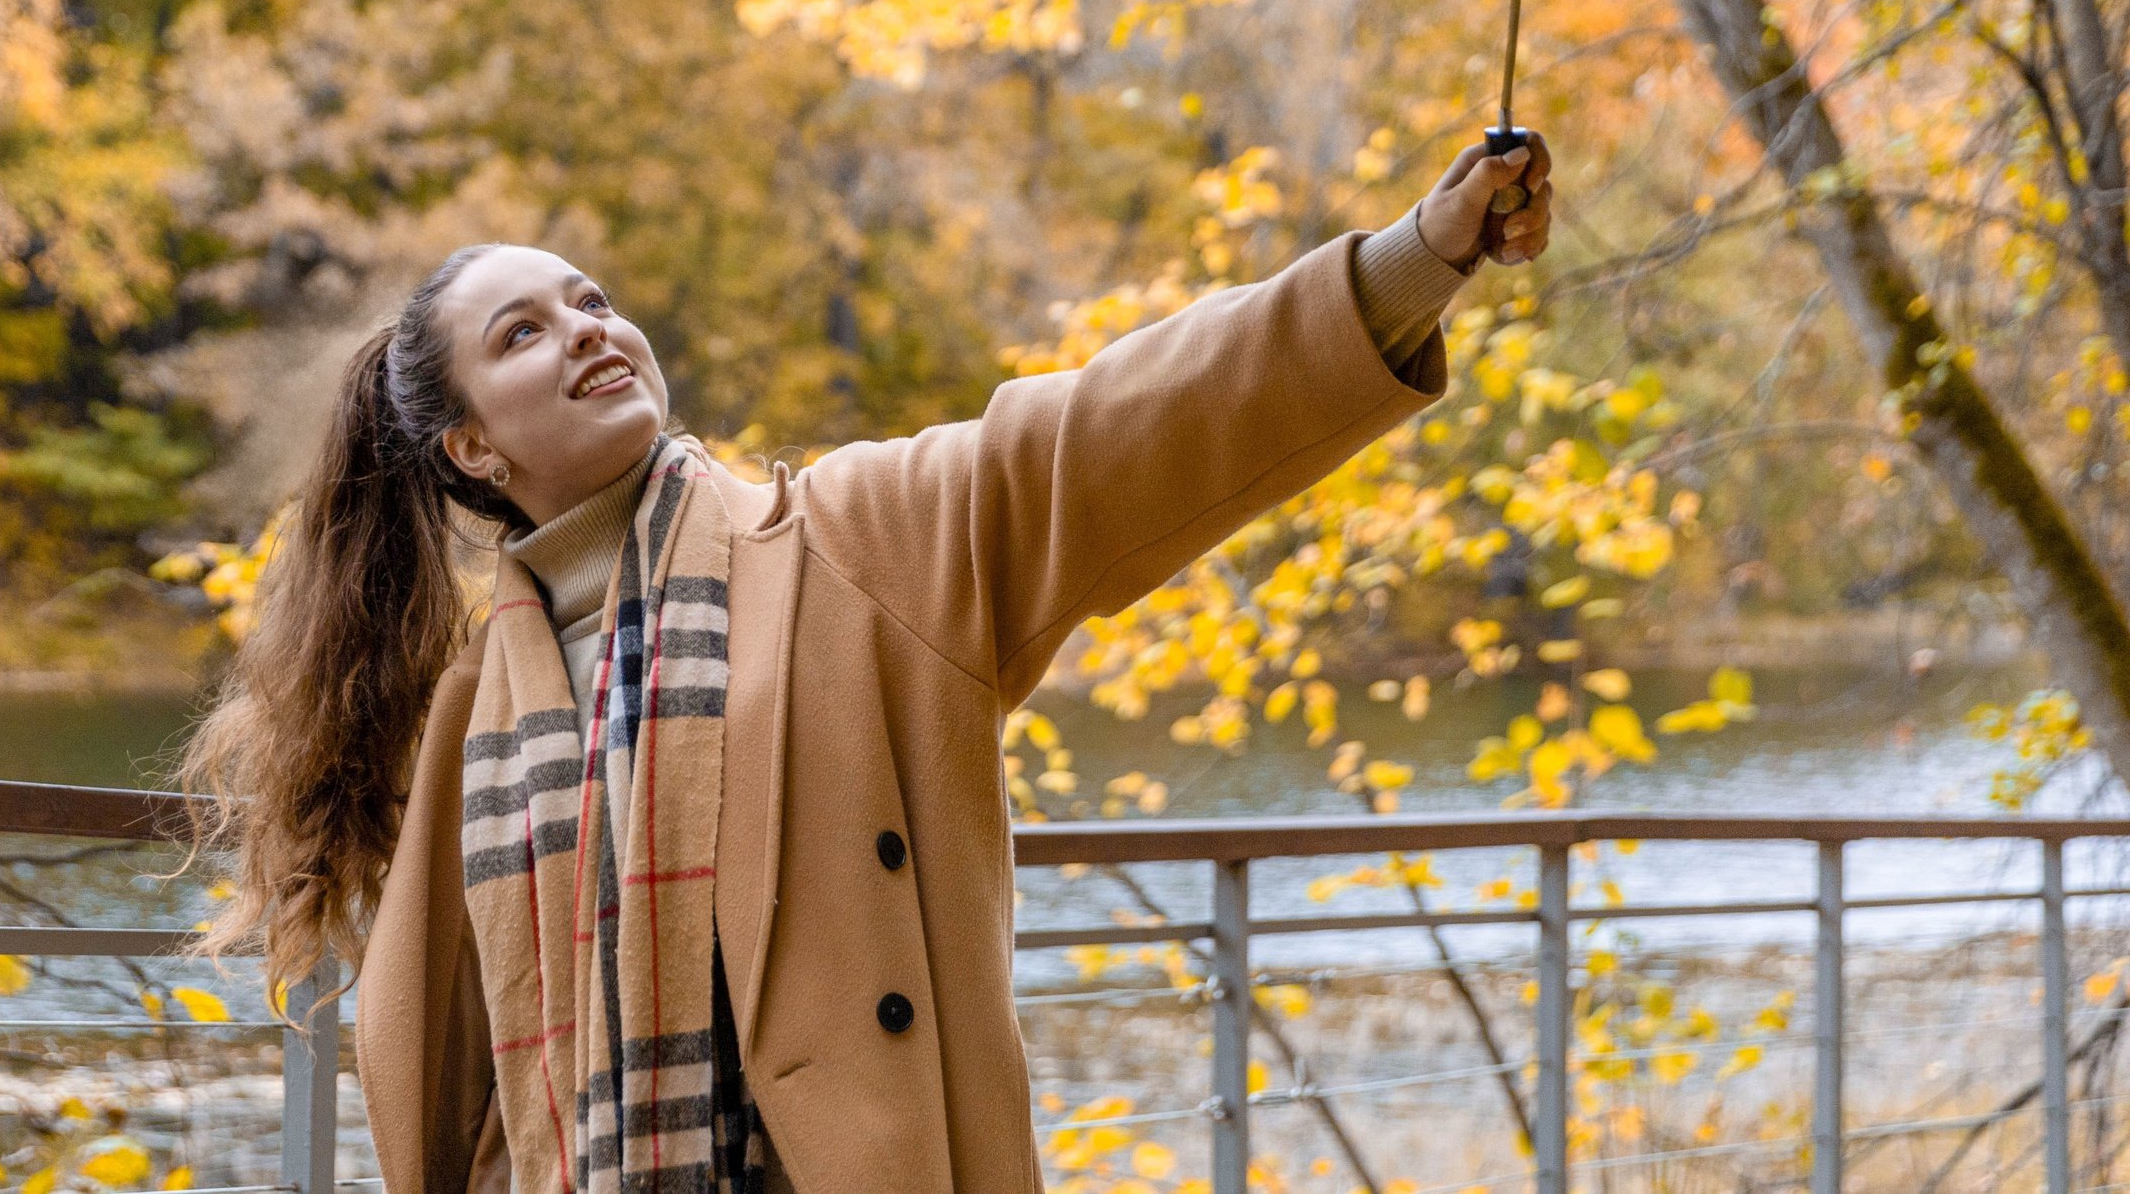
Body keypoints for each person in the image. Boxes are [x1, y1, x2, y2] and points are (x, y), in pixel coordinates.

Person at [183, 135, 1555, 1194]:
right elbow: (446, 1074)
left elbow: (1119, 428)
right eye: (523, 333)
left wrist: (1413, 262)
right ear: (474, 448)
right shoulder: (474, 714)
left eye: (588, 300)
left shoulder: (854, 544)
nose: (588, 327)